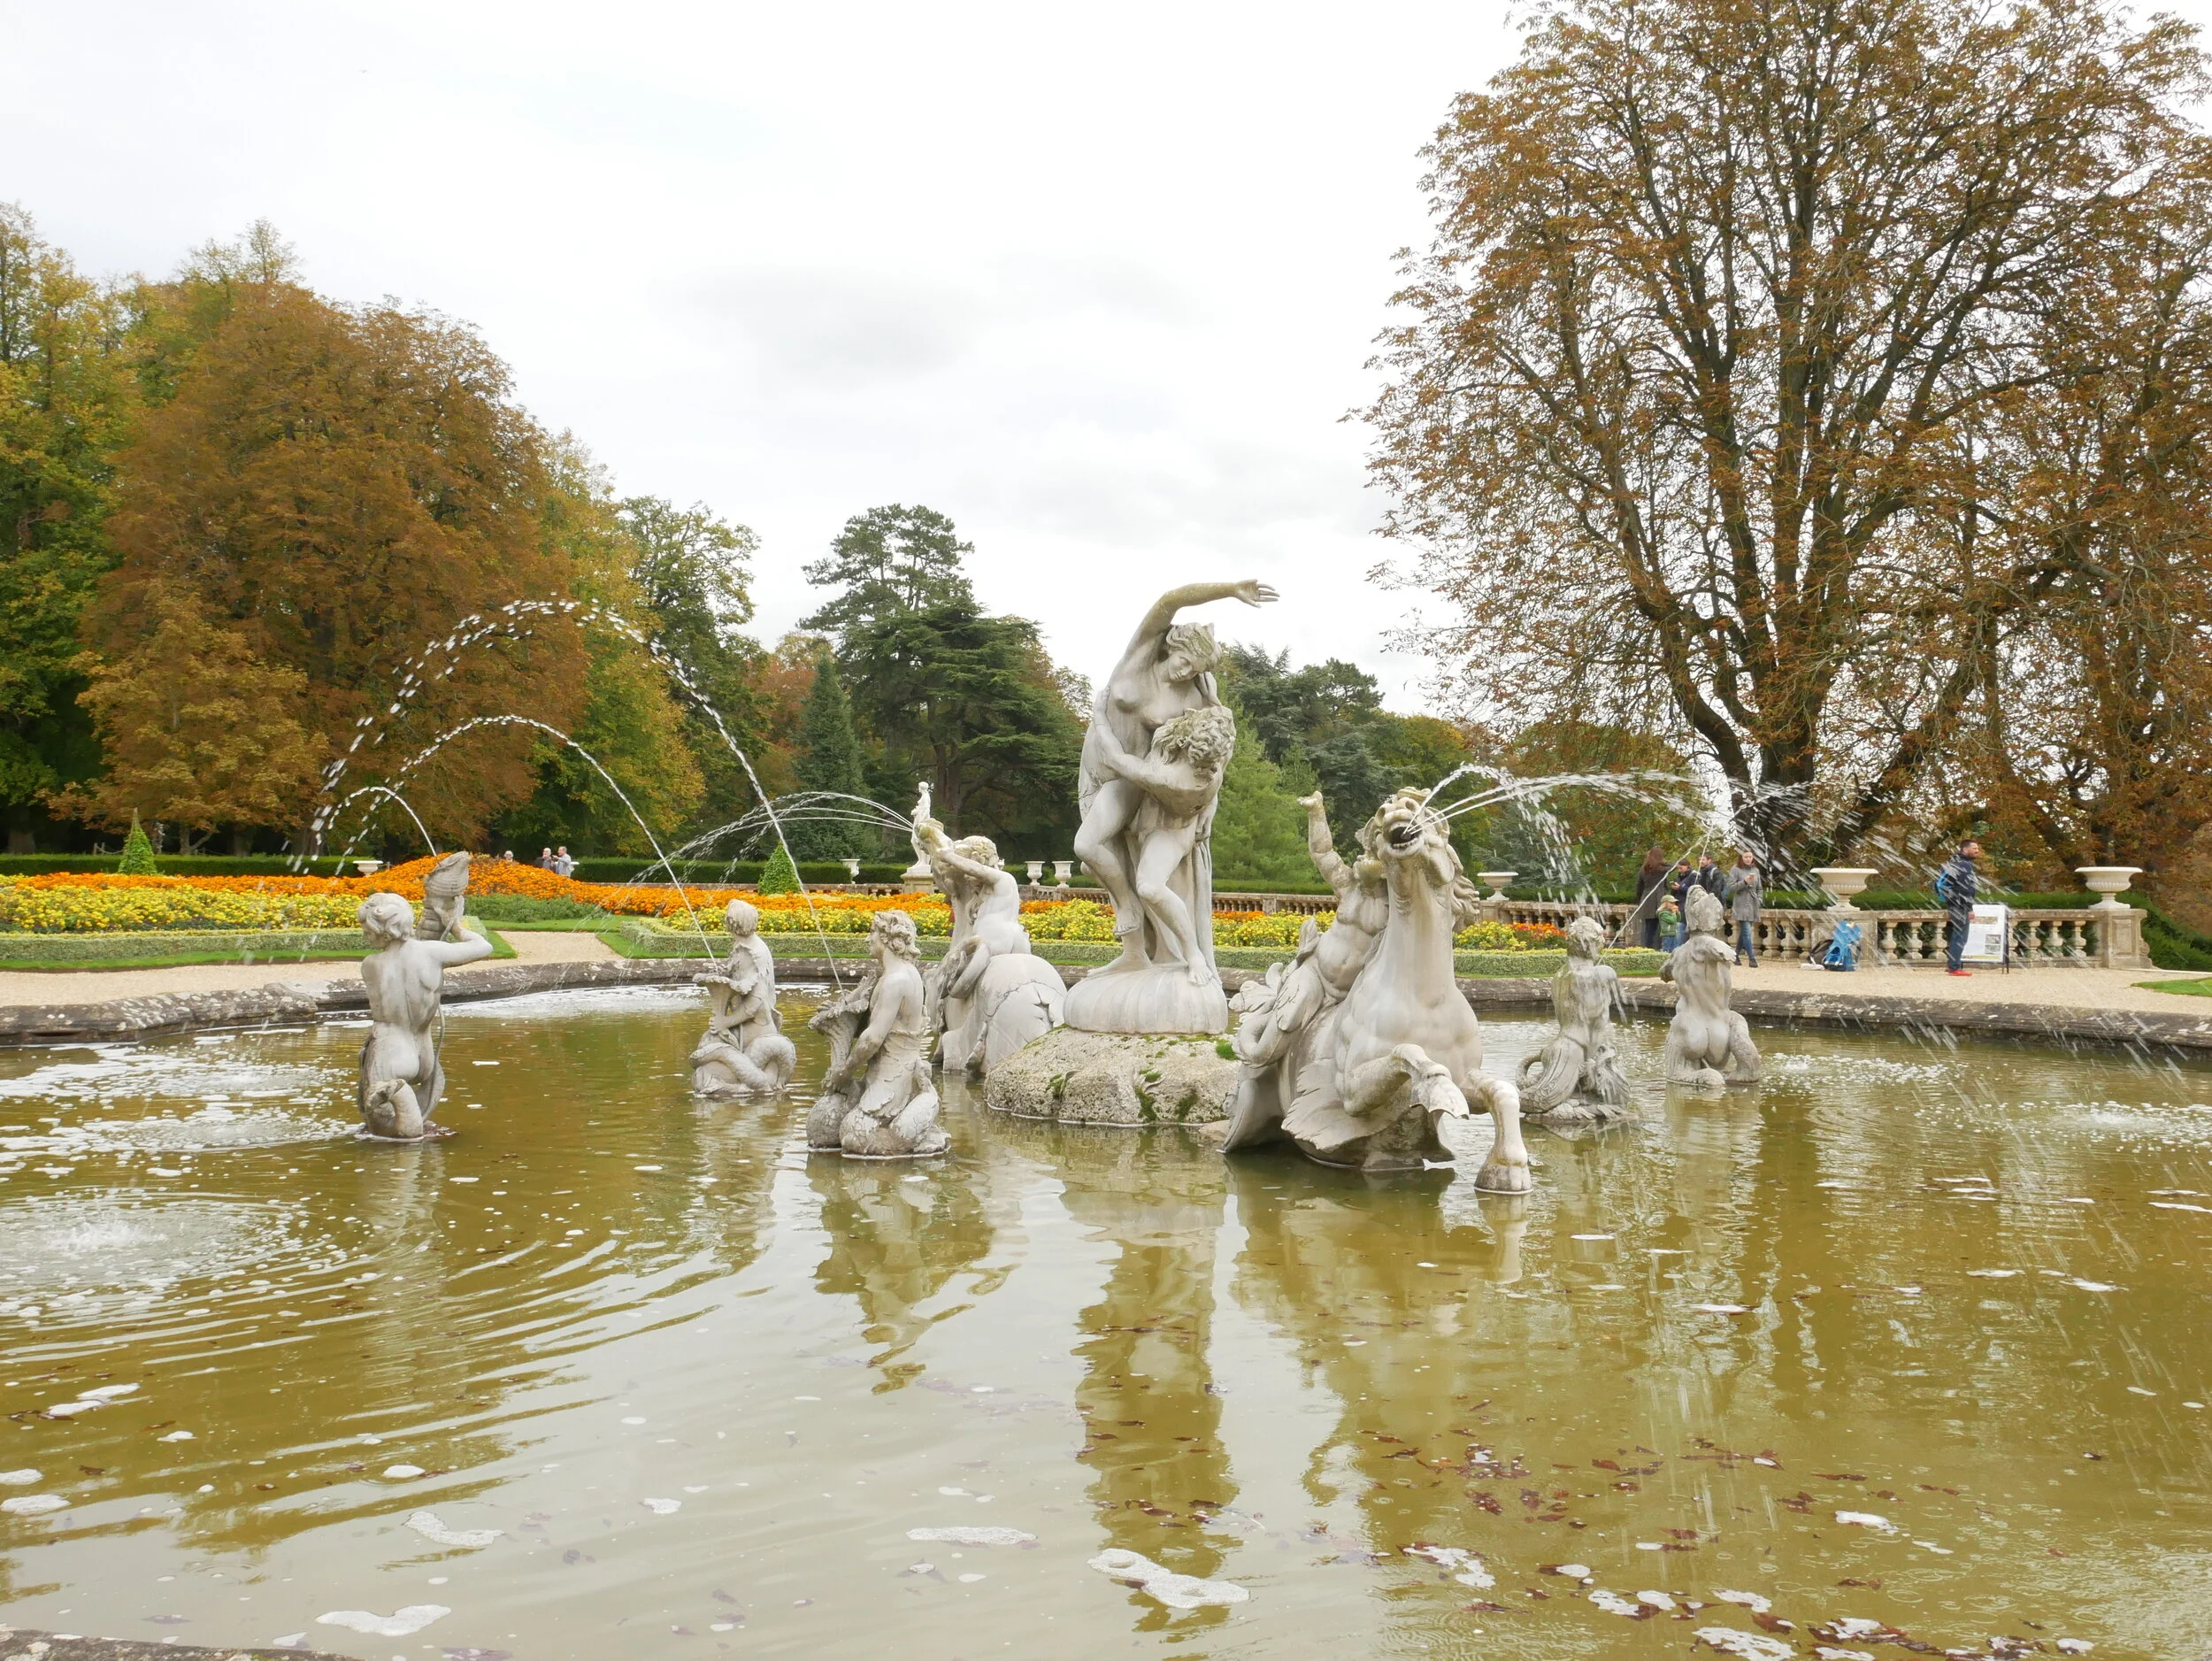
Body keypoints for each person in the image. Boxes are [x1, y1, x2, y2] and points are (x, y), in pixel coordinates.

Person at [1938, 839, 1981, 975]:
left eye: (1977, 849)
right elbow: (1965, 888)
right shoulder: (1964, 865)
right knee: (1961, 936)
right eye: (1974, 848)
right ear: (1965, 849)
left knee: (1956, 935)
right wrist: (1969, 908)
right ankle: (1954, 967)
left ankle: (1952, 964)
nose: (1977, 851)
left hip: (1953, 903)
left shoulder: (1954, 862)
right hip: (1960, 905)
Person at [1725, 850, 1763, 967]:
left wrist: (1759, 900)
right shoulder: (1735, 869)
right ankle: (1752, 959)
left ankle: (1735, 955)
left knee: (1744, 932)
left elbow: (1760, 888)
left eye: (1750, 857)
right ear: (1741, 857)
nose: (1748, 859)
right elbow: (1731, 888)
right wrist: (1744, 882)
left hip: (1753, 903)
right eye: (1746, 857)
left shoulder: (1755, 870)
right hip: (1740, 903)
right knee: (1747, 931)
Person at [1634, 845, 1671, 949]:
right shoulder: (1662, 869)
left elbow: (1639, 887)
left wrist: (1639, 901)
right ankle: (1657, 949)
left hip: (1647, 899)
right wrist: (1663, 862)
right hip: (1659, 900)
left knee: (1649, 929)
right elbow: (1674, 866)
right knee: (1660, 929)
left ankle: (1647, 949)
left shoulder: (1643, 870)